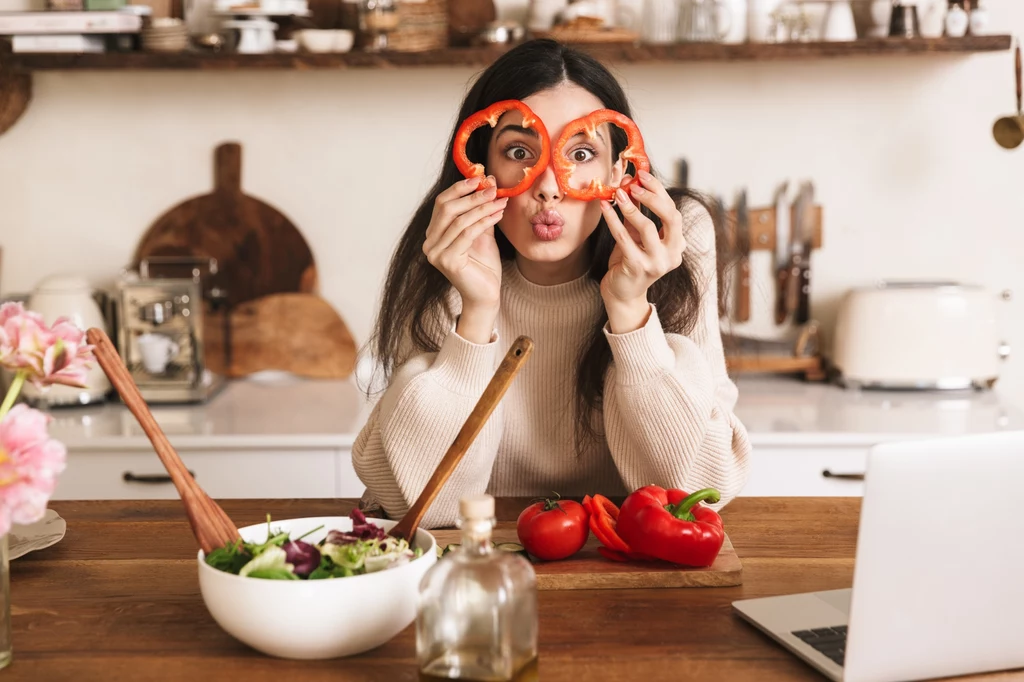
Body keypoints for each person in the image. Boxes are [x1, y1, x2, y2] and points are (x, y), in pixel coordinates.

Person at [353, 38, 751, 529]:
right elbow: (422, 508)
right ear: (479, 166)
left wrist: (630, 311)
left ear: (620, 169)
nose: (548, 185)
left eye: (581, 153)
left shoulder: (677, 237)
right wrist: (476, 315)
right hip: (487, 559)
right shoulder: (447, 252)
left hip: (628, 568)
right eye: (519, 151)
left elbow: (694, 495)